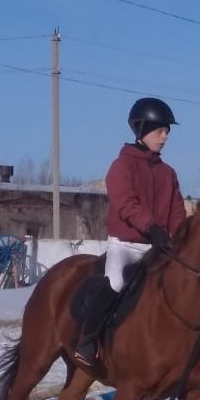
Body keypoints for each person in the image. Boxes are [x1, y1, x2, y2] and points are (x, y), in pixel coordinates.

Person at [74, 97, 186, 366]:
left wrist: (180, 237)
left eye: (167, 132)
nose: (165, 137)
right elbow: (125, 205)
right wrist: (152, 228)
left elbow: (177, 210)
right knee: (115, 283)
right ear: (142, 130)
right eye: (160, 131)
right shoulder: (121, 166)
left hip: (158, 247)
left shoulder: (168, 173)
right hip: (125, 246)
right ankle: (88, 341)